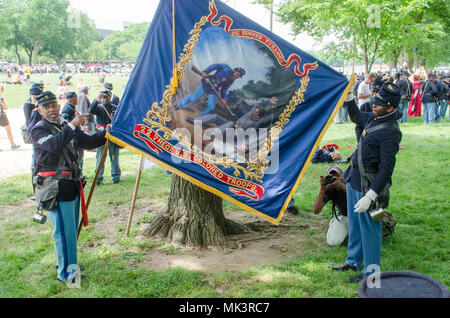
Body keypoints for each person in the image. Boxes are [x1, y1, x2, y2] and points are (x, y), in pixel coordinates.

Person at [329, 83, 403, 283]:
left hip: (368, 183)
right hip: (354, 177)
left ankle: (371, 272)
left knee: (370, 228)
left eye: (379, 104)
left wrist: (371, 195)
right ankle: (353, 261)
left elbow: (386, 169)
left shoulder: (391, 131)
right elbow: (355, 116)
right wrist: (350, 97)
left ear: (390, 108)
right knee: (354, 223)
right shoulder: (374, 116)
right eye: (374, 102)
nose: (373, 106)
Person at [31, 91, 107, 283]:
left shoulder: (65, 126)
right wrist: (73, 125)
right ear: (40, 111)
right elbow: (54, 145)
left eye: (53, 106)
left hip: (72, 185)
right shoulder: (39, 129)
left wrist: (107, 133)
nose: (51, 110)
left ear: (58, 106)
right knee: (63, 233)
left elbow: (88, 142)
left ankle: (70, 267)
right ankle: (67, 274)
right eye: (46, 107)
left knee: (70, 233)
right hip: (55, 188)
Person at [175, 64, 246, 116]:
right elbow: (214, 66)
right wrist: (206, 72)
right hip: (208, 83)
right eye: (237, 74)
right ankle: (179, 105)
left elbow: (224, 89)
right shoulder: (226, 67)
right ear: (235, 70)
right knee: (193, 97)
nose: (237, 76)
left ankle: (201, 119)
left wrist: (223, 99)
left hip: (214, 90)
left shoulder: (232, 80)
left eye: (239, 76)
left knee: (211, 107)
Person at [90, 90, 121, 185]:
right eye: (102, 97)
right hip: (101, 135)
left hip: (112, 135)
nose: (104, 99)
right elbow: (91, 110)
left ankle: (116, 176)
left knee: (114, 156)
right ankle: (98, 177)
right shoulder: (99, 108)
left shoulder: (115, 108)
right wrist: (97, 99)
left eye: (106, 97)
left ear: (110, 97)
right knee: (100, 157)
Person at [314, 166, 348, 246]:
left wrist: (343, 187)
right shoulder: (330, 188)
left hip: (360, 214)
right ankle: (334, 223)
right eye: (331, 176)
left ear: (343, 176)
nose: (334, 178)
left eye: (337, 175)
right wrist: (322, 190)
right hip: (345, 215)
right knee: (333, 242)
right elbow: (316, 210)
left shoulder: (351, 182)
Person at [0, 85, 21, 151]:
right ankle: (12, 144)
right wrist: (4, 107)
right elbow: (5, 107)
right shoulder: (0, 97)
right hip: (1, 115)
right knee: (8, 130)